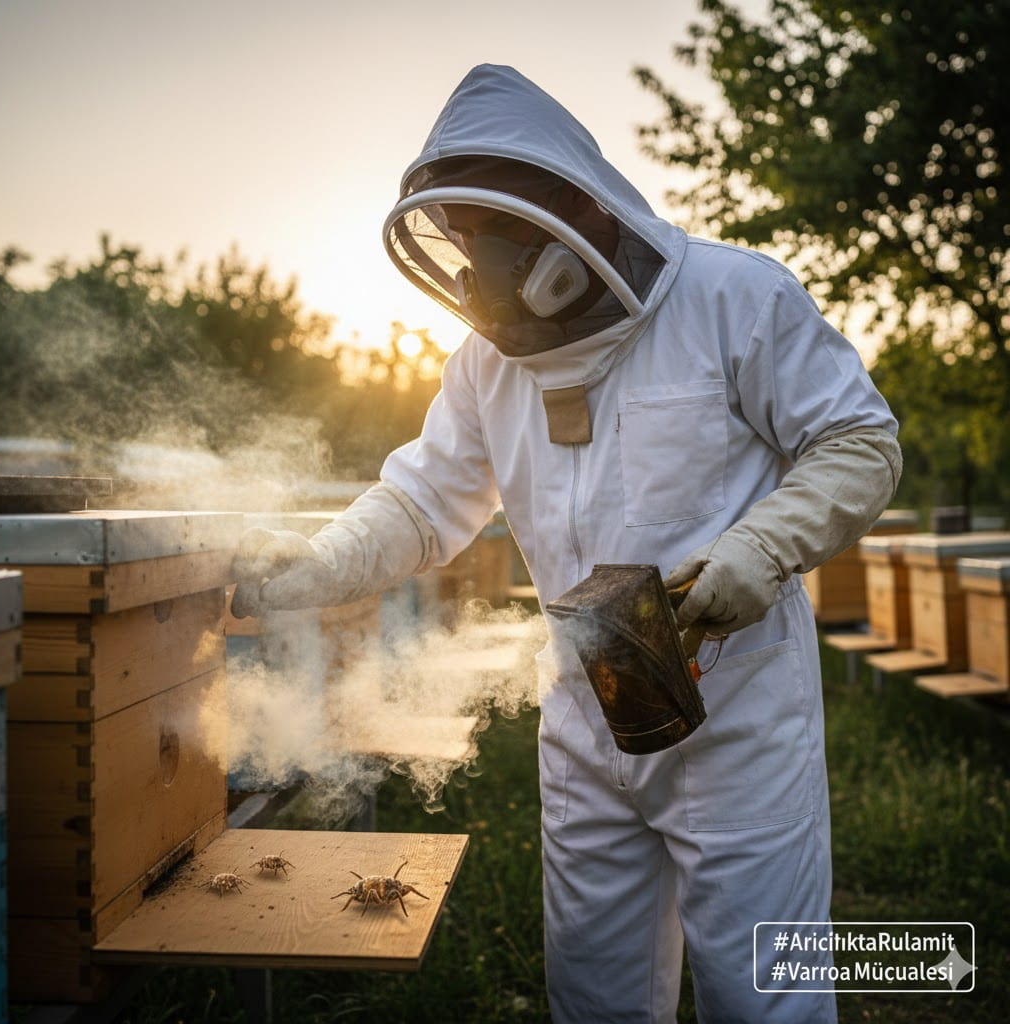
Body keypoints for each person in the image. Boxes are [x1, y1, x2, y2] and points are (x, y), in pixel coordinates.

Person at [232, 64, 901, 1023]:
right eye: (460, 245)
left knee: (765, 1001)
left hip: (737, 711)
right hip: (586, 717)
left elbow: (860, 441)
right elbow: (424, 504)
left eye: (489, 241)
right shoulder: (483, 364)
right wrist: (315, 564)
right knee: (593, 995)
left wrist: (761, 547)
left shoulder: (731, 297)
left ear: (562, 223)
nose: (476, 271)